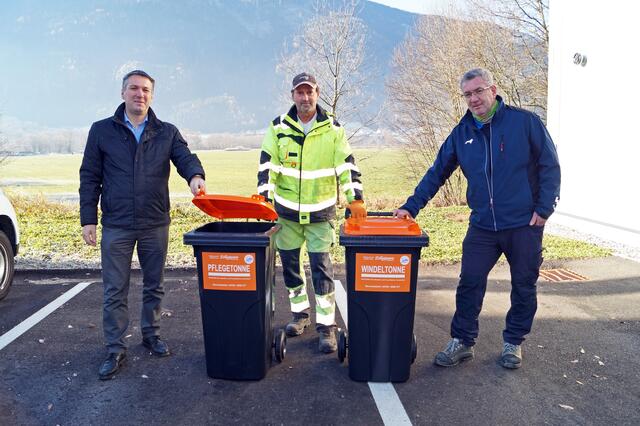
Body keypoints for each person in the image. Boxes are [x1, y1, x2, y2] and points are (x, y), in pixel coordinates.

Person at [394, 68, 560, 369]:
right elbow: (437, 173)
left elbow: (550, 165)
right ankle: (462, 341)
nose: (473, 99)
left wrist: (544, 208)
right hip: (483, 224)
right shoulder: (462, 134)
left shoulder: (525, 123)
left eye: (478, 91)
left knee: (524, 285)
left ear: (492, 90)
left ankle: (513, 342)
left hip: (524, 223)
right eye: (467, 94)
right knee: (469, 282)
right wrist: (411, 207)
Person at [79, 70, 206, 380]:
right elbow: (89, 176)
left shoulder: (166, 131)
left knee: (154, 285)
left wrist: (195, 176)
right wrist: (88, 219)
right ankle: (115, 348)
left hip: (154, 222)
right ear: (123, 93)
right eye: (134, 88)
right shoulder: (101, 131)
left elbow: (184, 157)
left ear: (152, 95)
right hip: (117, 224)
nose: (140, 94)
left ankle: (151, 334)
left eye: (145, 90)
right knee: (114, 290)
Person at [257, 72, 366, 353]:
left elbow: (346, 165)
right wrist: (264, 200)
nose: (305, 98)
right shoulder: (278, 128)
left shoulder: (333, 128)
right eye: (300, 92)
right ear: (292, 95)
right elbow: (268, 167)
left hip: (320, 214)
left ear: (318, 93)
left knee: (321, 270)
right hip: (287, 214)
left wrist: (355, 198)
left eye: (310, 92)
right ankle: (300, 315)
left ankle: (327, 328)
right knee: (291, 269)